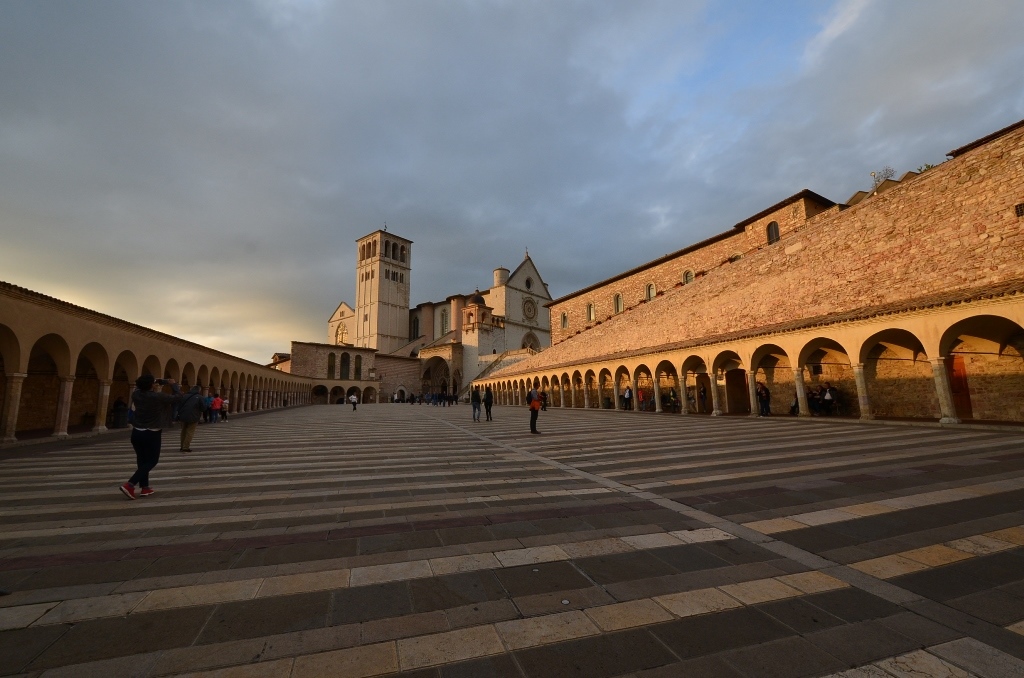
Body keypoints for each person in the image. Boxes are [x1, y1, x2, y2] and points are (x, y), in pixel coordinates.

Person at [120, 375, 183, 499]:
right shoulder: (157, 397)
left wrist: (159, 381)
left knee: (142, 460)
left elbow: (144, 386)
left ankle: (145, 487)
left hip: (137, 432)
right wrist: (173, 384)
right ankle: (130, 484)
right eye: (153, 383)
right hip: (151, 432)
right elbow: (178, 397)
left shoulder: (136, 394)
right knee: (152, 460)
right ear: (151, 385)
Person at [178, 385, 205, 452]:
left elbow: (179, 405)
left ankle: (182, 446)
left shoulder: (185, 396)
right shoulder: (200, 397)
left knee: (183, 431)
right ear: (199, 390)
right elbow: (203, 408)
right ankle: (185, 447)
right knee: (190, 431)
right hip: (194, 416)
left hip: (183, 415)